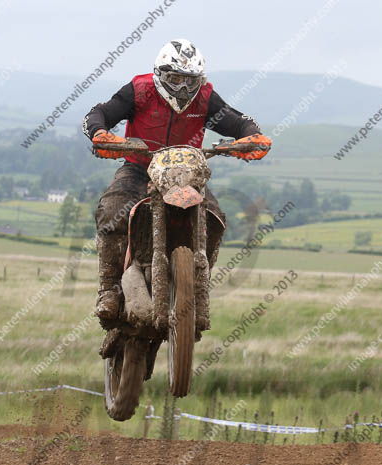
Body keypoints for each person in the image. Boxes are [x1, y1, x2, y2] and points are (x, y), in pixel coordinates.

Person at [83, 38, 271, 322]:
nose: (183, 88)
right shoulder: (139, 90)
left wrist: (250, 137)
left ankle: (196, 285)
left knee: (215, 219)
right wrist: (100, 133)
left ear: (200, 80)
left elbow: (237, 121)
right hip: (139, 167)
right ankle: (108, 290)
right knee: (111, 212)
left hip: (187, 176)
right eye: (175, 79)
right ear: (160, 74)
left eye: (190, 81)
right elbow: (100, 113)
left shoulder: (206, 98)